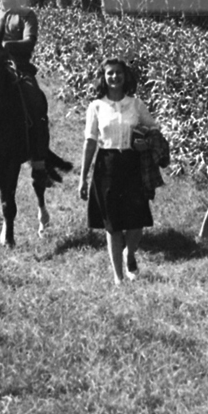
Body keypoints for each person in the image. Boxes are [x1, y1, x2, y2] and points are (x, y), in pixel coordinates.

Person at [81, 58, 156, 286]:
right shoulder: (96, 106)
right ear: (103, 77)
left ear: (126, 76)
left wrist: (145, 141)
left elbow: (154, 129)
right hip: (107, 166)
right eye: (110, 73)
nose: (114, 77)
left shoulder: (136, 104)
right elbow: (90, 141)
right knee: (112, 224)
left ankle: (129, 254)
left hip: (133, 165)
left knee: (136, 222)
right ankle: (118, 277)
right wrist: (83, 177)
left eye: (118, 73)